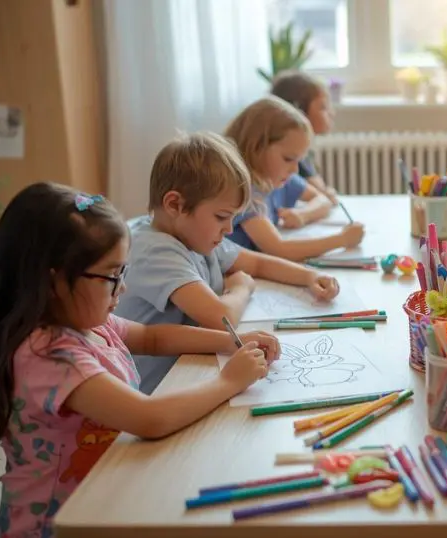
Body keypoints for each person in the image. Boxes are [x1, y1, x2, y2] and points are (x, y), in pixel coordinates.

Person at [0, 183, 280, 538]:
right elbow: (148, 418)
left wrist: (232, 341)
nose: (122, 288)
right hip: (55, 526)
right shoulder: (48, 354)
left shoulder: (92, 323)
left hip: (106, 495)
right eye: (111, 275)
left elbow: (153, 337)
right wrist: (228, 381)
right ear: (56, 282)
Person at [116, 131, 338, 393]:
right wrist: (241, 287)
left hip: (192, 367)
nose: (230, 229)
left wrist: (308, 277)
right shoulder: (154, 250)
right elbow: (221, 319)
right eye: (222, 216)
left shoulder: (193, 234)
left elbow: (258, 264)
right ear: (175, 204)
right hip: (159, 388)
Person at [225, 96, 365, 258]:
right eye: (288, 159)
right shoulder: (243, 191)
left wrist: (303, 214)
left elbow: (323, 199)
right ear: (257, 147)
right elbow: (279, 249)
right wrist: (342, 239)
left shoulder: (278, 178)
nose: (295, 169)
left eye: (299, 160)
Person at [270, 69, 339, 204]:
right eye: (323, 107)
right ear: (298, 112)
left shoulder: (305, 152)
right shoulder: (291, 154)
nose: (332, 113)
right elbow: (321, 193)